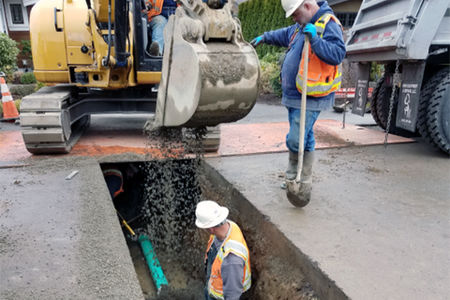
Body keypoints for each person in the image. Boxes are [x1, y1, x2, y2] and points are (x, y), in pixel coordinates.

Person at [250, 0, 345, 191]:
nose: (295, 19)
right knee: (305, 136)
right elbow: (285, 34)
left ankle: (295, 177)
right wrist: (265, 37)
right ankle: (301, 177)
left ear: (308, 7)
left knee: (296, 138)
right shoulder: (299, 26)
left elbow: (338, 53)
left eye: (296, 14)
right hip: (296, 95)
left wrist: (317, 41)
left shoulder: (328, 23)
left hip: (311, 97)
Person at [195, 200, 251, 300]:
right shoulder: (229, 226)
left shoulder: (232, 260)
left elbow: (232, 295)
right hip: (212, 286)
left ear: (211, 228)